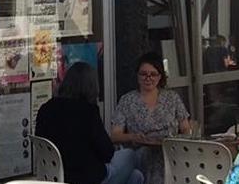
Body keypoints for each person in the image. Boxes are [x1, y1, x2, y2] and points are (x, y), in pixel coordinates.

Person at [36, 62, 142, 184]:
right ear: (92, 86)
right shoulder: (88, 112)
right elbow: (107, 153)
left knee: (136, 176)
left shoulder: (46, 108)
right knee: (130, 155)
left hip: (53, 175)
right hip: (87, 177)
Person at [110, 53, 191, 184]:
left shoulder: (172, 98)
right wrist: (133, 137)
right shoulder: (127, 100)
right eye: (143, 74)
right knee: (145, 158)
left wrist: (179, 142)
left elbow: (186, 128)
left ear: (160, 77)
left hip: (170, 153)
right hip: (141, 154)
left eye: (153, 74)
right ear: (137, 75)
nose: (148, 78)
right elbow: (115, 135)